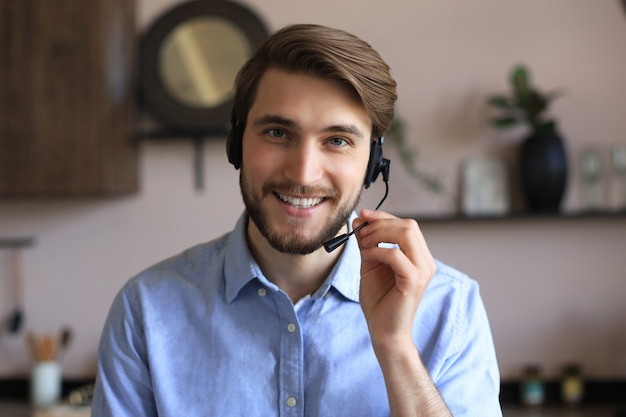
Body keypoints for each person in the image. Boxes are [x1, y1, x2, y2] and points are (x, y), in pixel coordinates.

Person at [92, 23, 502, 416]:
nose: (304, 174)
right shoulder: (146, 310)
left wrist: (395, 347)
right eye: (277, 133)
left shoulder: (450, 308)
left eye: (337, 140)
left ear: (373, 163)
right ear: (236, 143)